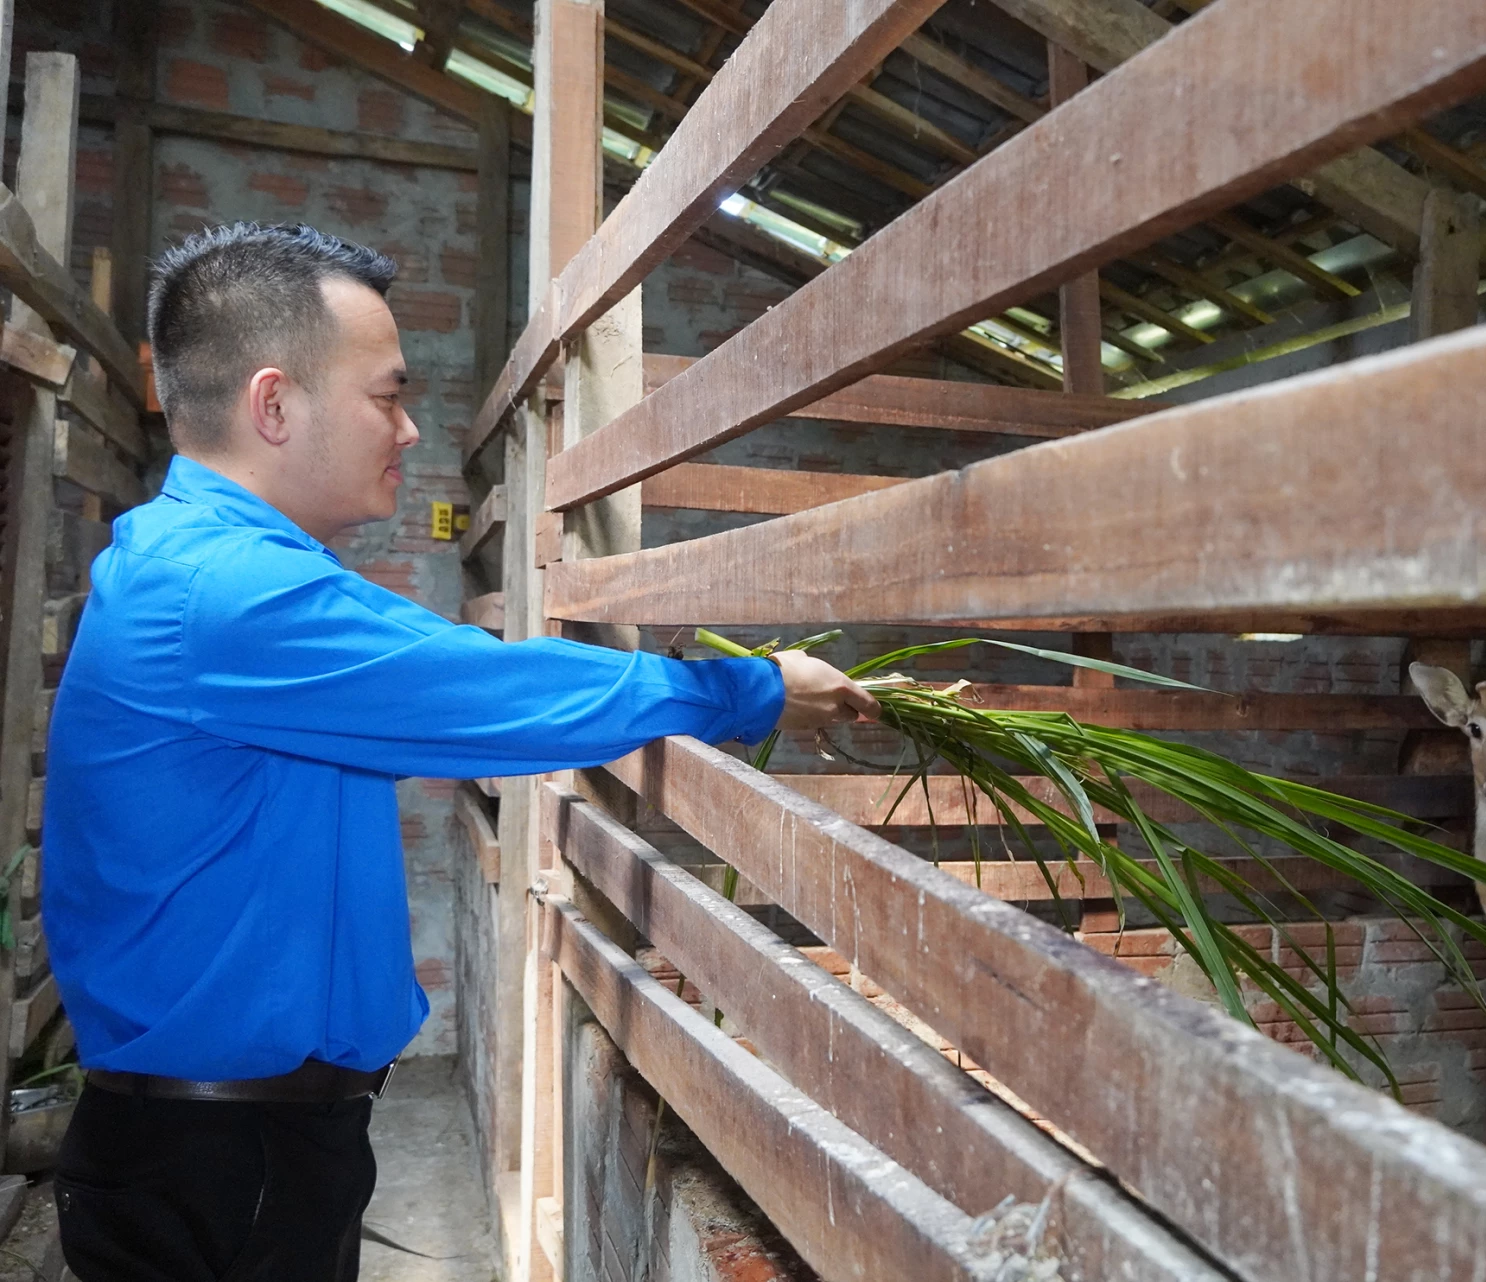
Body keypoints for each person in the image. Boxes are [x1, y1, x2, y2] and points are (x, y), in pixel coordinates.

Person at [40, 222, 879, 1281]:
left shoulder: (205, 568)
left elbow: (438, 681)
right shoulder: (226, 595)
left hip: (240, 1144)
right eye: (387, 394)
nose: (409, 426)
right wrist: (752, 687)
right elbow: (493, 691)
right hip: (215, 1167)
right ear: (274, 404)